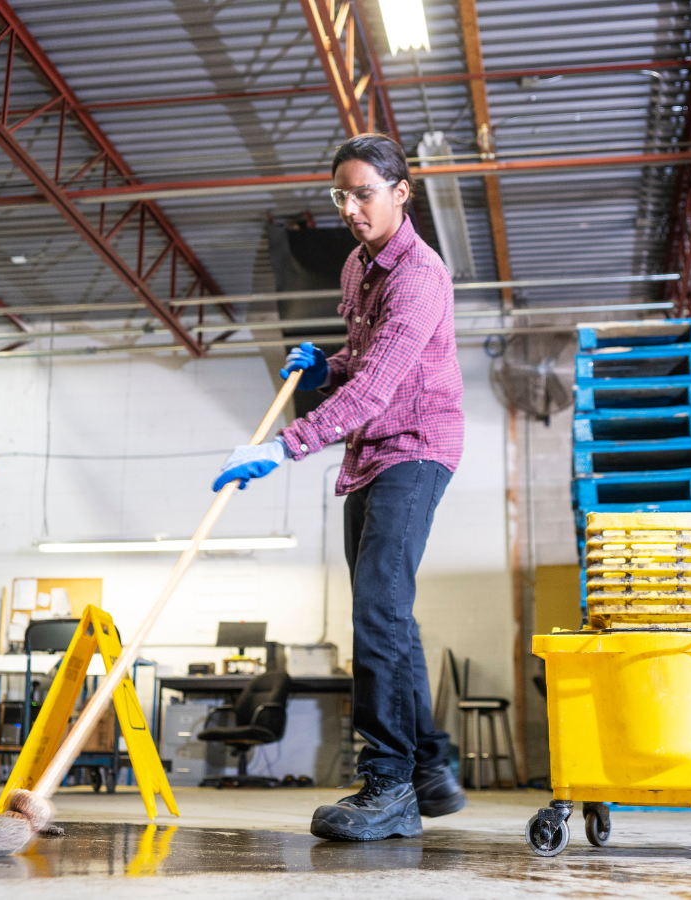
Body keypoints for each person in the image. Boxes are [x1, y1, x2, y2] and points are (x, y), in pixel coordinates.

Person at [212, 133, 465, 841]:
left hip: (417, 446)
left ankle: (388, 785)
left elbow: (380, 388)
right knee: (388, 611)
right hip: (370, 453)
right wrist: (327, 363)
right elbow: (366, 356)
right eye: (341, 195)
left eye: (364, 192)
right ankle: (429, 768)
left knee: (377, 612)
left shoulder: (419, 274)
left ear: (400, 191)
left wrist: (282, 448)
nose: (352, 208)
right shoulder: (358, 267)